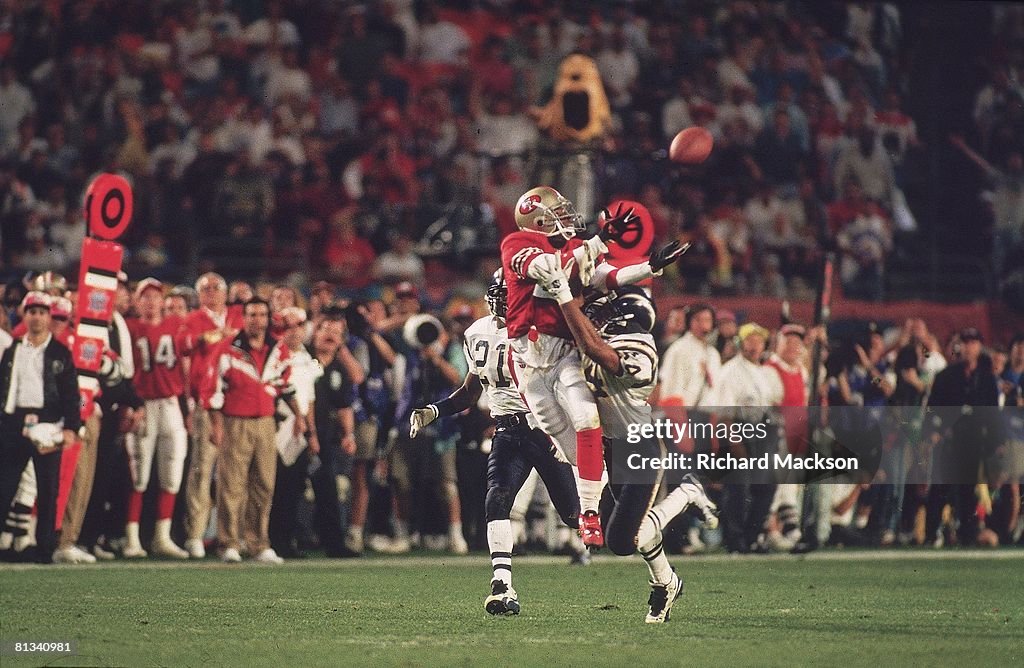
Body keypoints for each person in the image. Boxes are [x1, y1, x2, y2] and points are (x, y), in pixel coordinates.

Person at [501, 186, 686, 546]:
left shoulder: (633, 347)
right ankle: (594, 503)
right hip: (528, 362)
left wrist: (648, 267)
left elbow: (602, 279)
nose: (569, 217)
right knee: (575, 453)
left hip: (568, 355)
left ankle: (589, 516)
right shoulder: (519, 242)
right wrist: (603, 243)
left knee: (587, 419)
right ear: (539, 220)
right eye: (560, 212)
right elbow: (549, 270)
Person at [543, 280, 718, 623]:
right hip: (612, 450)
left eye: (609, 312)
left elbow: (598, 353)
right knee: (617, 535)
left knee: (624, 540)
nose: (599, 317)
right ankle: (666, 583)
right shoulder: (602, 333)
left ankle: (686, 493)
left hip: (638, 449)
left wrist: (567, 303)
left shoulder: (638, 348)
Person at [409, 270, 582, 615]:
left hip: (545, 429)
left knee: (576, 514)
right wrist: (435, 410)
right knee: (497, 499)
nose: (504, 301)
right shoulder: (476, 332)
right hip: (507, 432)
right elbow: (471, 392)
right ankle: (502, 586)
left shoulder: (546, 331)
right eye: (500, 293)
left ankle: (648, 536)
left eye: (511, 294)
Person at [207, 298, 301, 564]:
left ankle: (258, 543)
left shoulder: (278, 350)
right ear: (243, 318)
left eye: (261, 315)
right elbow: (213, 389)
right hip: (236, 421)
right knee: (232, 485)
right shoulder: (228, 350)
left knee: (264, 484)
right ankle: (228, 543)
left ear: (267, 318)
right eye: (251, 314)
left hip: (266, 422)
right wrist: (216, 425)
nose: (256, 320)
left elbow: (285, 384)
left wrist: (300, 417)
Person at [0, 292, 81, 563]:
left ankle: (45, 548)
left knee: (48, 489)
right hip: (15, 423)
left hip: (48, 424)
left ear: (48, 317)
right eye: (32, 311)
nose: (36, 317)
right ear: (24, 314)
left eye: (41, 312)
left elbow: (71, 393)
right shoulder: (13, 349)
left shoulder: (60, 353)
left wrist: (71, 427)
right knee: (5, 485)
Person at [123, 279, 191, 559]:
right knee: (138, 475)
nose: (151, 301)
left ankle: (161, 537)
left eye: (155, 296)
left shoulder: (178, 325)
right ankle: (131, 538)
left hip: (171, 403)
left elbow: (188, 367)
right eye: (145, 297)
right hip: (142, 405)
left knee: (172, 471)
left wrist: (189, 408)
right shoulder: (129, 328)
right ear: (137, 301)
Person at [180, 272, 243, 559]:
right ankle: (195, 533)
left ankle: (229, 537)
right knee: (202, 469)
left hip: (238, 403)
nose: (212, 293)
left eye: (217, 287)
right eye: (205, 288)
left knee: (233, 474)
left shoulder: (238, 316)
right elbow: (184, 346)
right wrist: (210, 338)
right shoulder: (193, 319)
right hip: (206, 401)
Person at [714, 322, 783, 553]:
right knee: (738, 489)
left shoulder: (763, 372)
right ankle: (734, 541)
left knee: (765, 487)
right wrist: (734, 443)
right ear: (740, 343)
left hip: (760, 434)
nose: (754, 345)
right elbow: (724, 414)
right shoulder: (731, 371)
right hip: (738, 432)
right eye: (749, 340)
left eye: (758, 340)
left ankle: (751, 538)